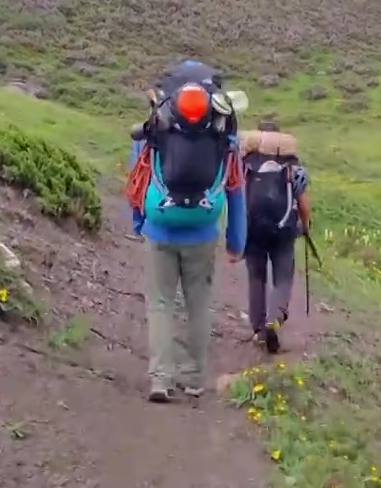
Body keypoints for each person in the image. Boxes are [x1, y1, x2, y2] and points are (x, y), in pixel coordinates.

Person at [126, 60, 246, 402]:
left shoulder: (157, 125)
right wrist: (237, 239)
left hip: (160, 226)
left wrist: (139, 221)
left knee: (161, 303)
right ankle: (193, 378)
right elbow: (235, 188)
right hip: (203, 229)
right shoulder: (224, 131)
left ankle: (161, 379)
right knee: (198, 302)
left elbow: (139, 176)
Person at [240, 121, 311, 354]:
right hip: (284, 230)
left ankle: (259, 330)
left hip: (253, 228)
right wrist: (305, 226)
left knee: (256, 278)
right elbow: (302, 202)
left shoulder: (246, 162)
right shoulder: (292, 165)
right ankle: (274, 319)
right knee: (283, 279)